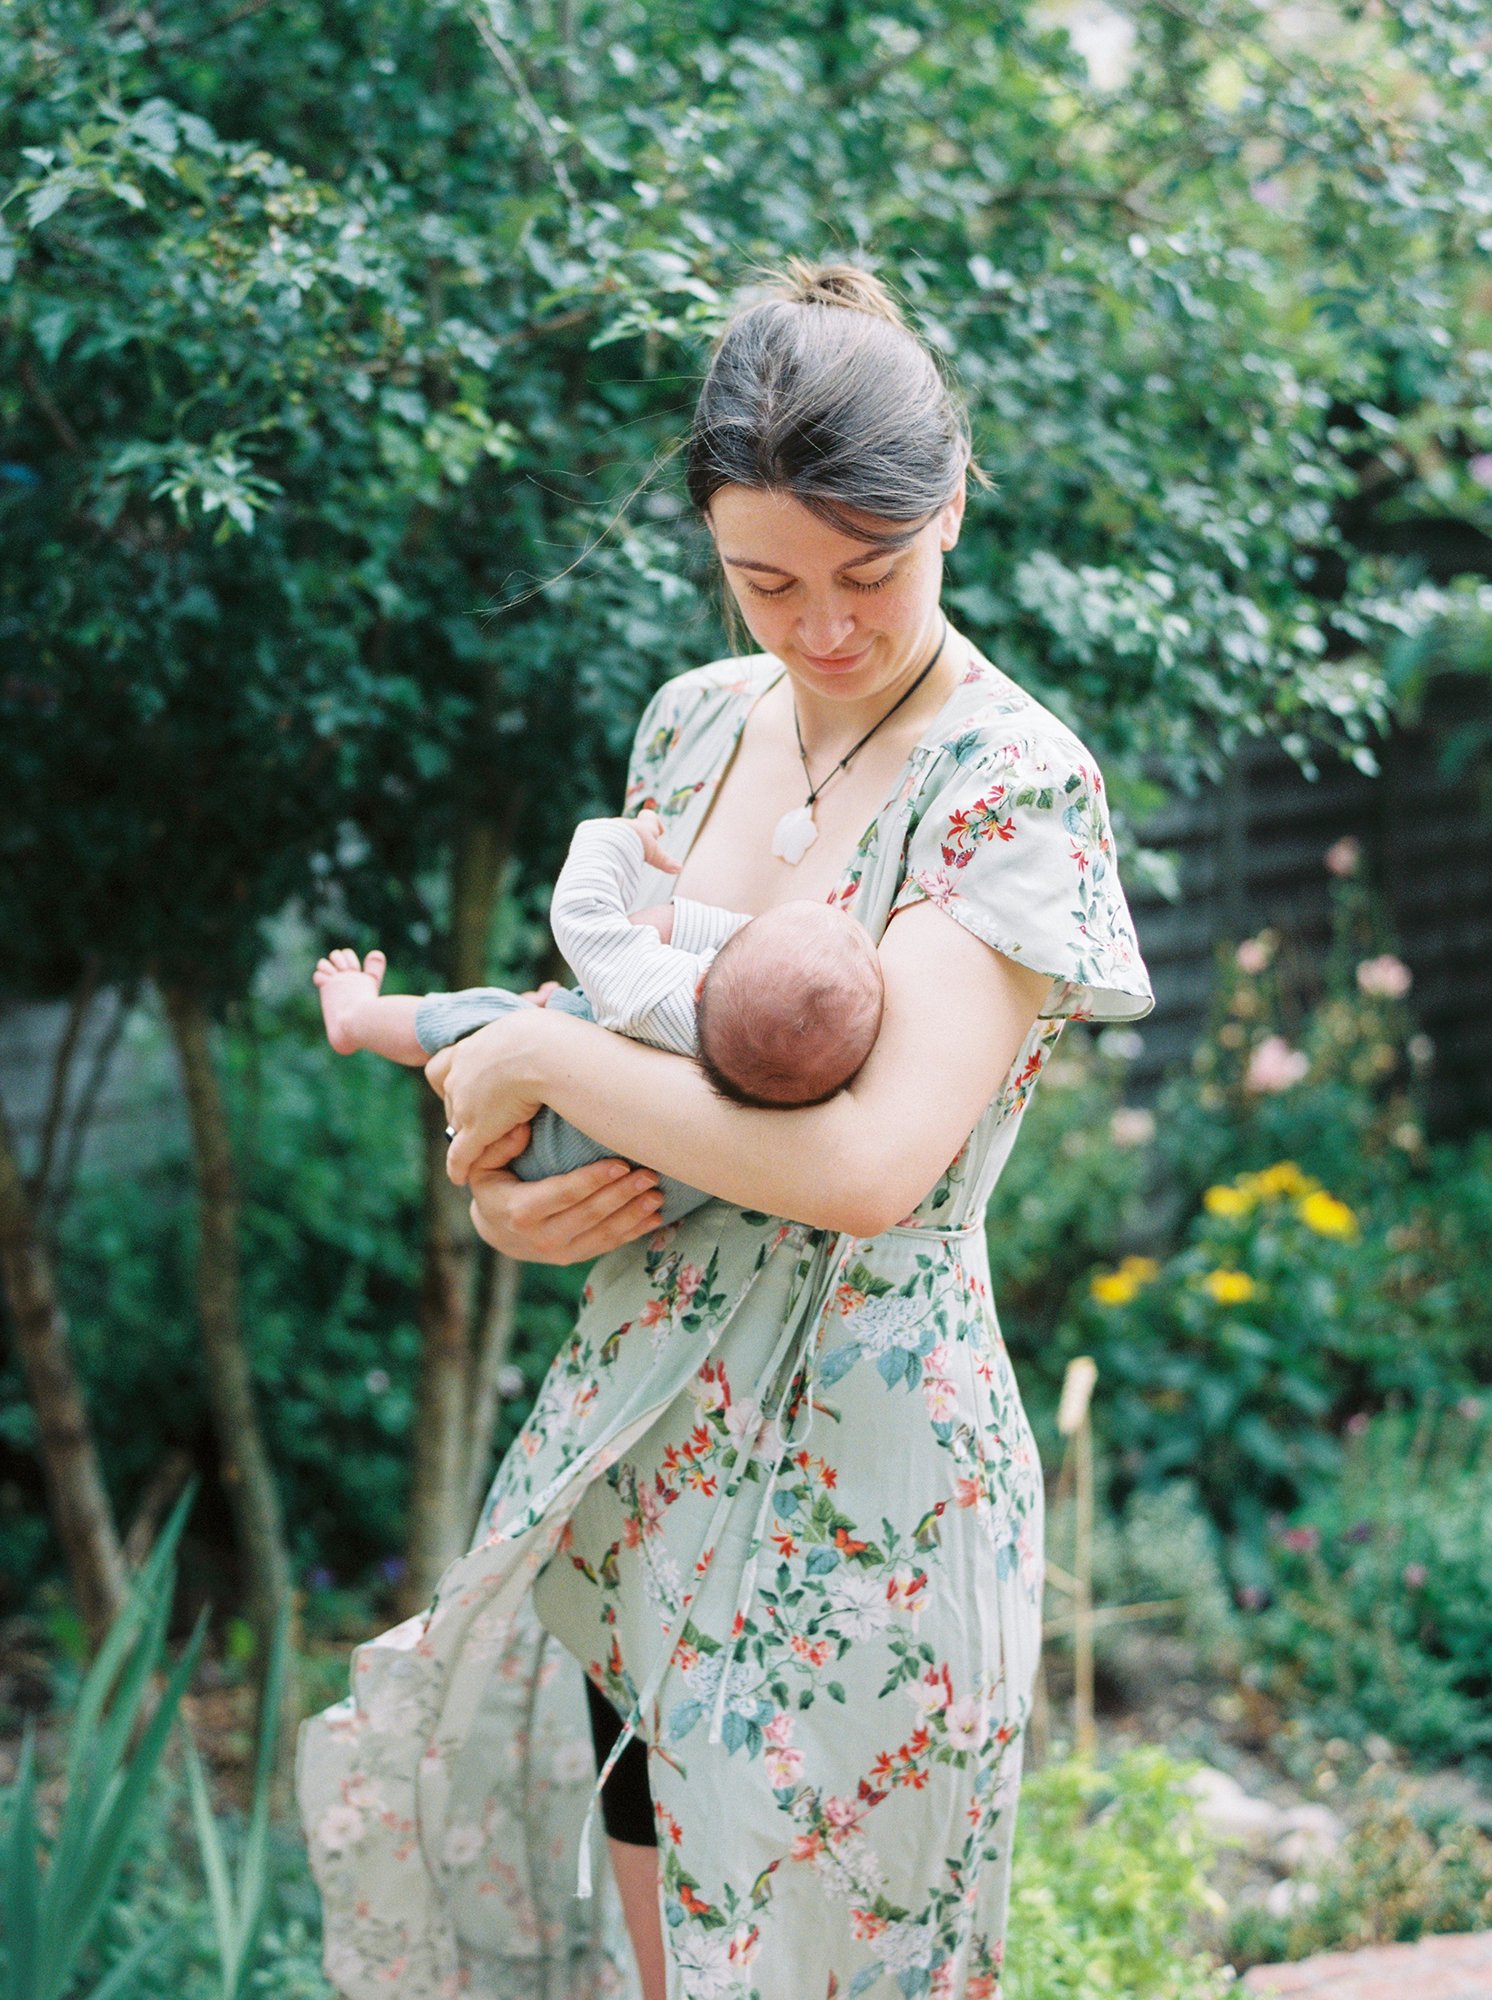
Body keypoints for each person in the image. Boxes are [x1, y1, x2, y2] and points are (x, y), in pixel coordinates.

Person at [296, 256, 1156, 2000]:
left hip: (874, 1484)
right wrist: (511, 1194)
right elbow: (642, 1064)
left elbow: (863, 1169)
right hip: (649, 1452)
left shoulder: (1008, 784)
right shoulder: (692, 728)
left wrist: (535, 1059)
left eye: (870, 572)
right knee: (663, 1955)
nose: (821, 627)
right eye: (765, 581)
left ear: (952, 505)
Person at [311, 808, 885, 1227]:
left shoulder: (656, 991)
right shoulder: (791, 1086)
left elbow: (584, 912)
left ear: (701, 977)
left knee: (472, 1015)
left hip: (542, 1134)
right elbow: (753, 966)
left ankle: (356, 1017)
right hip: (632, 1193)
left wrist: (618, 838)